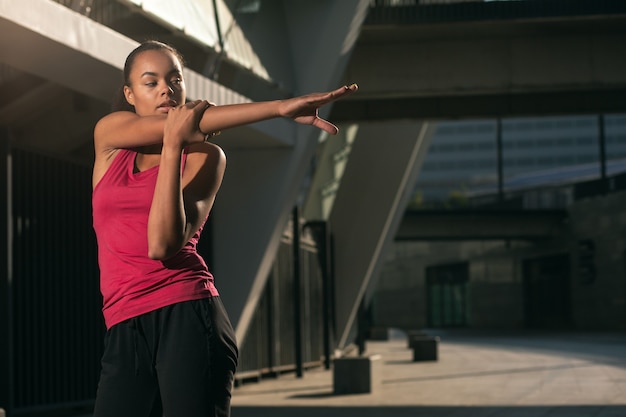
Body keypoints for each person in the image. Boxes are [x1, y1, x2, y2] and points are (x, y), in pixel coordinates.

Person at [91, 39, 357, 417]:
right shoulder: (110, 139)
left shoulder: (205, 157)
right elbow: (182, 123)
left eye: (176, 79)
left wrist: (172, 149)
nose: (167, 89)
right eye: (151, 82)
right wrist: (280, 108)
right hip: (123, 324)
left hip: (187, 315)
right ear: (129, 93)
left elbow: (161, 244)